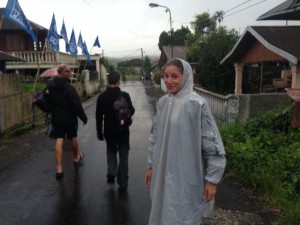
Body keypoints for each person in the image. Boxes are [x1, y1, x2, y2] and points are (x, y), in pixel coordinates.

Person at [144, 58, 226, 225]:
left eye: (174, 76)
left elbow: (211, 142)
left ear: (186, 76)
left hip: (187, 173)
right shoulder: (163, 103)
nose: (168, 81)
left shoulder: (197, 105)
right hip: (163, 171)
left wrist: (212, 179)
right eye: (166, 76)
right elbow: (155, 137)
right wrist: (151, 166)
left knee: (184, 211)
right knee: (164, 208)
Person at [96, 71, 135, 191]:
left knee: (111, 151)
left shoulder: (102, 97)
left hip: (109, 130)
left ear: (108, 81)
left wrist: (99, 132)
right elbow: (132, 111)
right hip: (123, 130)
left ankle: (111, 174)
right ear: (119, 81)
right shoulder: (125, 95)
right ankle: (123, 182)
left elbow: (99, 116)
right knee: (124, 155)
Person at [47, 64, 88, 178]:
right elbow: (77, 105)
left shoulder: (50, 86)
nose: (71, 73)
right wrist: (83, 117)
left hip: (57, 118)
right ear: (63, 73)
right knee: (73, 137)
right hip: (70, 119)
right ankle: (76, 157)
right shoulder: (70, 88)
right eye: (69, 71)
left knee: (59, 140)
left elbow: (47, 101)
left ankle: (59, 168)